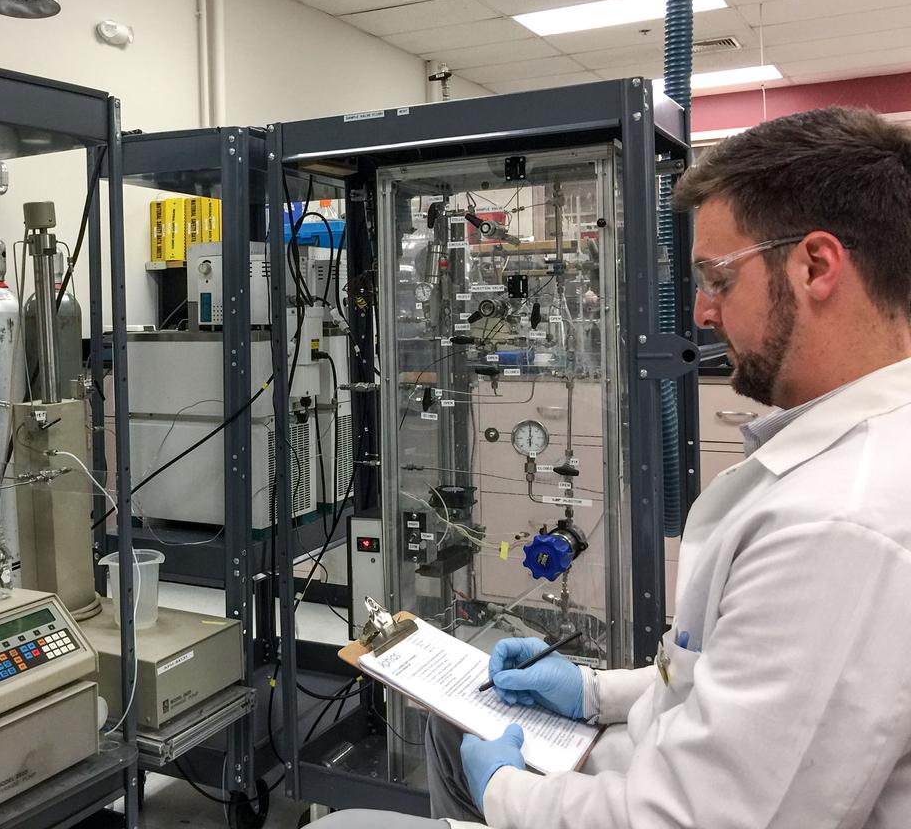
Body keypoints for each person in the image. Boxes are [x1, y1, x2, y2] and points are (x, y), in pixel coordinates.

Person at [312, 106, 911, 829]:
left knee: (344, 825)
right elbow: (720, 686)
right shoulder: (838, 461)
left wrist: (506, 791)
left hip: (669, 803)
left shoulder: (839, 523)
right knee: (456, 722)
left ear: (817, 266)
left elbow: (699, 820)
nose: (700, 310)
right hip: (671, 757)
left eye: (717, 278)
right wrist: (594, 695)